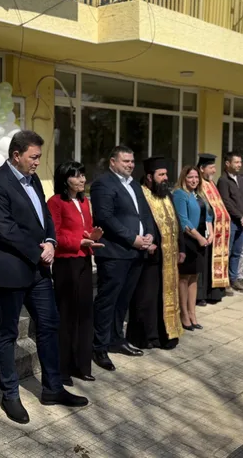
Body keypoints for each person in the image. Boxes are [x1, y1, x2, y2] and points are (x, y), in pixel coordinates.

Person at [0, 131, 87, 425]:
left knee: (49, 325)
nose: (38, 162)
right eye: (34, 157)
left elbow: (46, 216)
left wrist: (51, 241)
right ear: (16, 155)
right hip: (12, 270)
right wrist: (39, 251)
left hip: (39, 270)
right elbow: (4, 228)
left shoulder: (34, 179)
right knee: (7, 333)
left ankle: (52, 388)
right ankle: (10, 395)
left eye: (39, 157)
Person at [90, 146, 155, 372]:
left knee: (123, 301)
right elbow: (105, 217)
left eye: (132, 161)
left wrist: (149, 234)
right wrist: (132, 238)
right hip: (114, 253)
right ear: (113, 162)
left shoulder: (134, 185)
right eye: (125, 161)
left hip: (136, 253)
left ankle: (116, 339)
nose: (130, 165)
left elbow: (144, 213)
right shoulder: (103, 184)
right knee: (107, 301)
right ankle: (99, 346)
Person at [47, 161, 103, 385]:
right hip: (66, 262)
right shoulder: (55, 202)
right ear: (65, 179)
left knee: (85, 314)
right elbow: (54, 235)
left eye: (83, 175)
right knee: (67, 315)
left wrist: (92, 236)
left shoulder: (84, 201)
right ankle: (63, 368)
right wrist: (78, 241)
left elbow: (84, 230)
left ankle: (82, 365)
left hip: (84, 260)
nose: (82, 180)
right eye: (76, 176)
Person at [127, 157, 184, 349]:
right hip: (150, 256)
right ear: (149, 177)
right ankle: (146, 337)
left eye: (166, 174)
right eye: (161, 175)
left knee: (166, 296)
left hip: (169, 256)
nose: (165, 178)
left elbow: (176, 221)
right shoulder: (140, 194)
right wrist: (148, 243)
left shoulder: (166, 194)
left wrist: (181, 247)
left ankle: (166, 333)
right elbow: (137, 222)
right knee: (147, 298)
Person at [172, 166, 208, 329]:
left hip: (201, 240)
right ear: (183, 178)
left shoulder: (199, 194)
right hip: (188, 240)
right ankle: (184, 314)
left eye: (196, 177)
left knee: (194, 277)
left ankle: (192, 313)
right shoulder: (180, 194)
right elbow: (183, 220)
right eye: (190, 177)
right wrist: (199, 238)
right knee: (184, 278)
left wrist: (210, 234)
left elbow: (208, 215)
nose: (194, 180)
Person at [197, 154, 229, 302]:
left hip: (217, 229)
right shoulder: (198, 184)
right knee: (204, 263)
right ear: (202, 168)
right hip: (204, 227)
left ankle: (214, 292)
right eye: (211, 167)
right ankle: (202, 295)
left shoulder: (211, 183)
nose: (214, 171)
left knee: (212, 260)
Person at [216, 152, 243, 293]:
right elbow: (226, 202)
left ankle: (233, 278)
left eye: (240, 162)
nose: (239, 165)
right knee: (227, 252)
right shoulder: (223, 180)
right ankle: (224, 282)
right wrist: (240, 216)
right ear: (227, 163)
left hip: (241, 221)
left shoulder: (240, 178)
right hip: (230, 222)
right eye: (236, 162)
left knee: (237, 252)